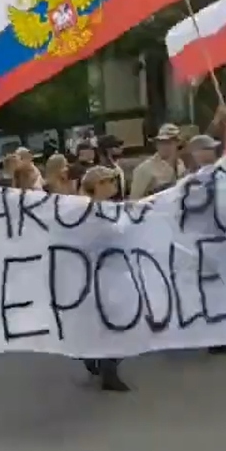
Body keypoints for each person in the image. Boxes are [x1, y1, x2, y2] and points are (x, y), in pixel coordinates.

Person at [78, 166, 132, 391]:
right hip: (100, 274)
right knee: (114, 322)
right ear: (97, 185)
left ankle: (93, 357)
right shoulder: (88, 212)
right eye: (109, 180)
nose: (113, 183)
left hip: (112, 272)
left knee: (111, 322)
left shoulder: (108, 207)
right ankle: (107, 368)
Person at [130, 124, 186, 199]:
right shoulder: (145, 168)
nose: (164, 146)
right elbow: (134, 199)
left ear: (177, 143)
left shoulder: (181, 165)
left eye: (168, 143)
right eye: (161, 142)